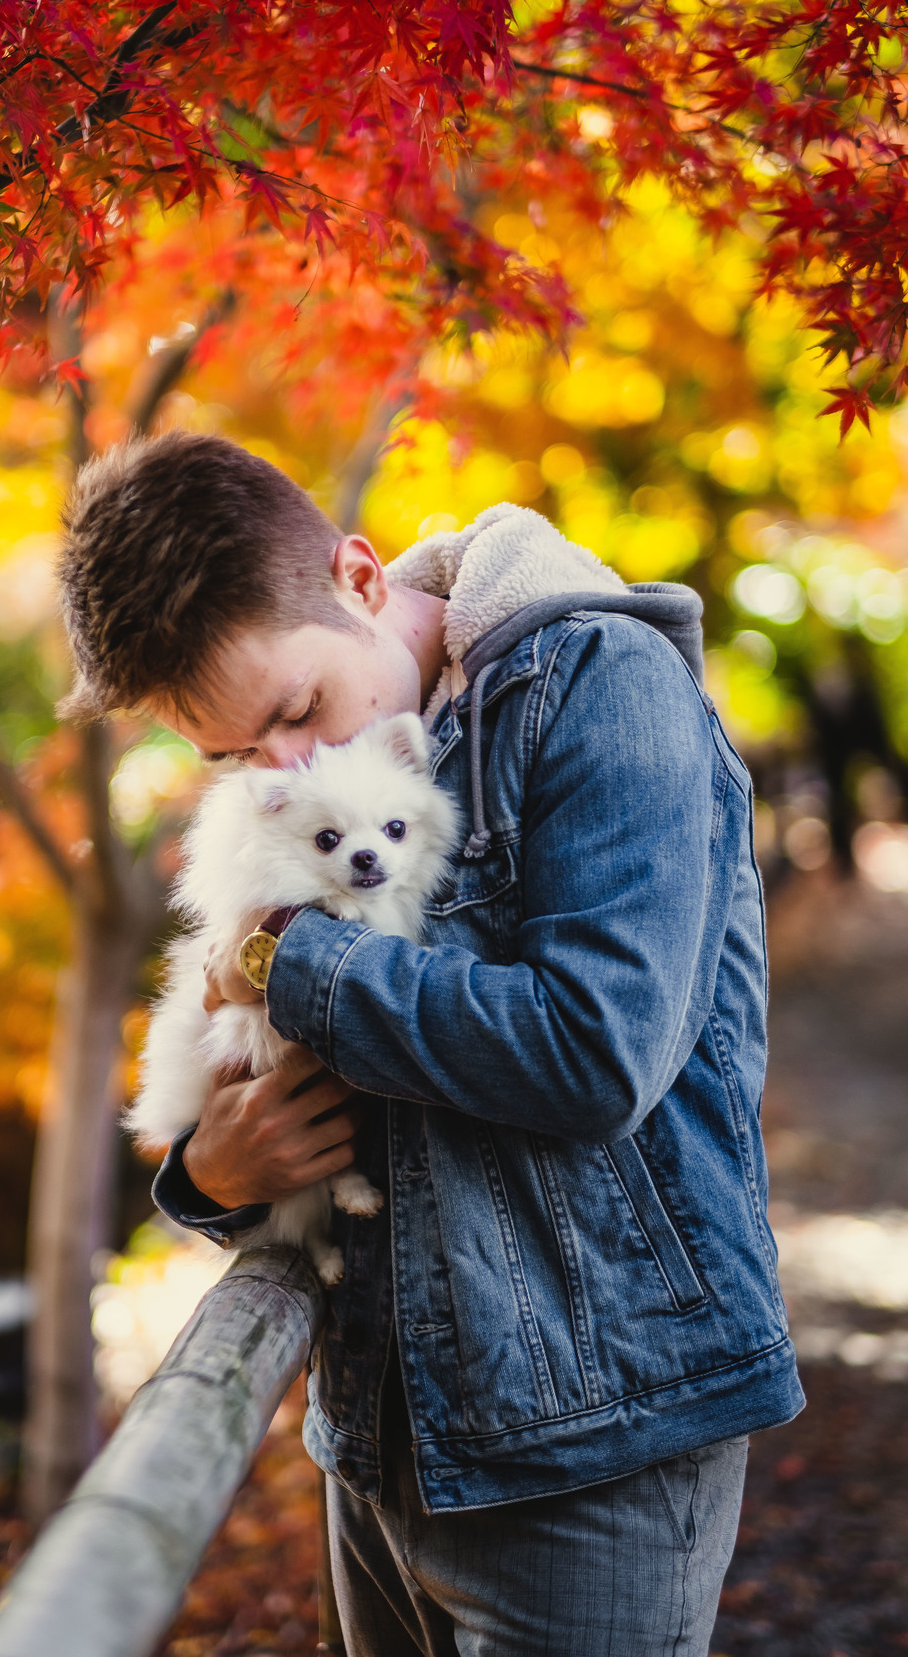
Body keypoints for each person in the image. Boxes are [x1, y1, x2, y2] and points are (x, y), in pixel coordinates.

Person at [60, 428, 804, 1657]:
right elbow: (304, 1091)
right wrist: (212, 1180)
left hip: (597, 1436)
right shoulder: (303, 774)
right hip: (382, 1437)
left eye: (297, 711)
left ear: (360, 577)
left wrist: (281, 959)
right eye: (237, 755)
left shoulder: (600, 686)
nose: (285, 768)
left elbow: (595, 1055)